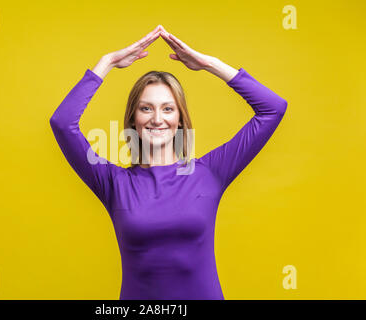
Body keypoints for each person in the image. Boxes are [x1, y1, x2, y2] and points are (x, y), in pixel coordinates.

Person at [49, 25, 287, 300]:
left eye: (168, 108)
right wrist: (107, 63)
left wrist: (210, 64)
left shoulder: (210, 173)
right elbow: (63, 123)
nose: (157, 119)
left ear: (180, 119)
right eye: (146, 108)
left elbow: (273, 109)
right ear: (133, 120)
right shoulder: (114, 183)